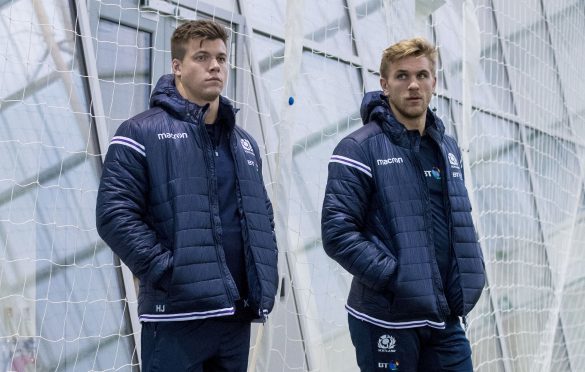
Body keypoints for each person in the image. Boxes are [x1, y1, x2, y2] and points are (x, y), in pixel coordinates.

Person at [96, 19, 279, 371]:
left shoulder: (244, 143)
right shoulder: (140, 132)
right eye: (202, 57)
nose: (215, 66)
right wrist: (171, 273)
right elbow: (113, 214)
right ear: (177, 67)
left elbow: (262, 217)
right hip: (176, 320)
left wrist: (261, 278)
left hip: (235, 317)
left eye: (221, 58)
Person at [321, 37, 486, 371]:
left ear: (434, 82)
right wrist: (397, 277)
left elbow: (458, 220)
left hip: (444, 317)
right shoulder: (359, 148)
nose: (413, 85)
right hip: (387, 319)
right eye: (402, 76)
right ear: (384, 84)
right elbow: (337, 232)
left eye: (422, 75)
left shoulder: (447, 147)